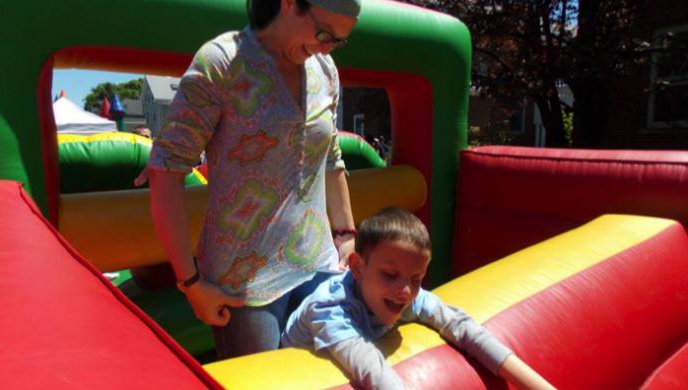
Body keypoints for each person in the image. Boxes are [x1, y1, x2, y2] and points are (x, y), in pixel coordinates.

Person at [143, 0, 360, 359]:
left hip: (321, 266)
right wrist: (191, 282)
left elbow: (330, 156)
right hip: (244, 286)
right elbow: (165, 169)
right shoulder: (223, 62)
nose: (326, 47)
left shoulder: (325, 69)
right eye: (324, 33)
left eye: (339, 41)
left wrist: (347, 235)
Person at [281, 208, 556, 390]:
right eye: (391, 274)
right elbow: (372, 370)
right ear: (357, 266)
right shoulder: (330, 311)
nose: (405, 290)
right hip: (291, 356)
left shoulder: (405, 295)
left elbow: (463, 327)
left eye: (416, 278)